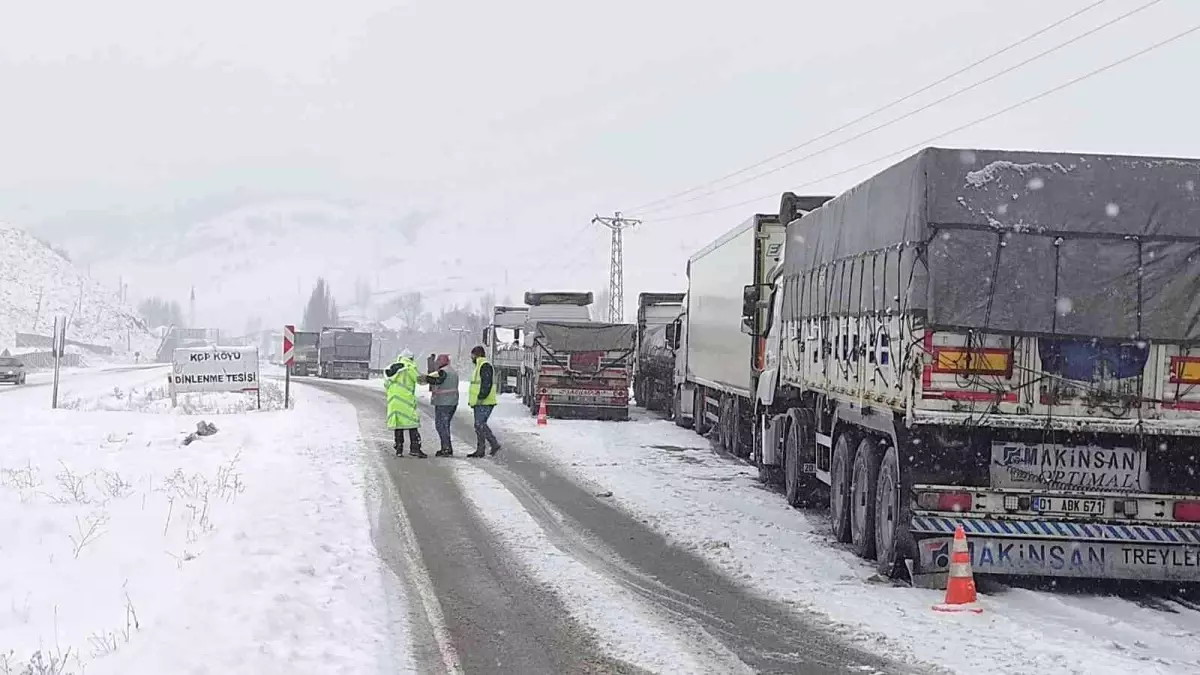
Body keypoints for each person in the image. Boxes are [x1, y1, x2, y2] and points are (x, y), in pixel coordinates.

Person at [385, 349, 425, 458]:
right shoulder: (409, 367)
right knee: (412, 424)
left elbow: (386, 384)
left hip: (394, 400)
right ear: (410, 358)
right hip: (406, 400)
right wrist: (431, 378)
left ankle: (399, 447)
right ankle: (415, 448)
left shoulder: (391, 368)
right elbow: (420, 380)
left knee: (399, 424)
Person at [467, 345, 501, 458]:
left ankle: (492, 444)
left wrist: (481, 397)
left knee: (479, 424)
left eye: (472, 355)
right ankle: (482, 448)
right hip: (481, 401)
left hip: (485, 401)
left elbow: (486, 383)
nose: (471, 358)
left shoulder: (484, 365)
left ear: (476, 355)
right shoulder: (480, 366)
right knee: (479, 425)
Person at [424, 353, 458, 457]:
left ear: (442, 362)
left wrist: (426, 378)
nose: (437, 363)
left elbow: (438, 381)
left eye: (438, 361)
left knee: (441, 426)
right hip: (452, 402)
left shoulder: (443, 371)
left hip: (443, 402)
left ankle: (446, 449)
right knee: (445, 425)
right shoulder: (452, 371)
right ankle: (447, 447)